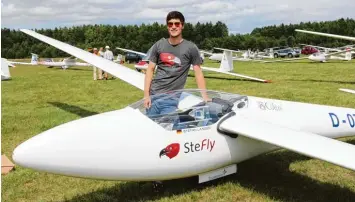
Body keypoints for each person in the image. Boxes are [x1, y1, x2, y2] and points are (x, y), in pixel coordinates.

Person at [143, 11, 209, 117]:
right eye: (170, 24)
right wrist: (146, 95)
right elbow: (150, 69)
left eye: (177, 24)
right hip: (154, 96)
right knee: (151, 129)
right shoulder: (159, 45)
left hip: (171, 99)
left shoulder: (191, 47)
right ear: (167, 26)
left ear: (182, 26)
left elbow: (198, 72)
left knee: (167, 128)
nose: (173, 27)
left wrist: (204, 96)